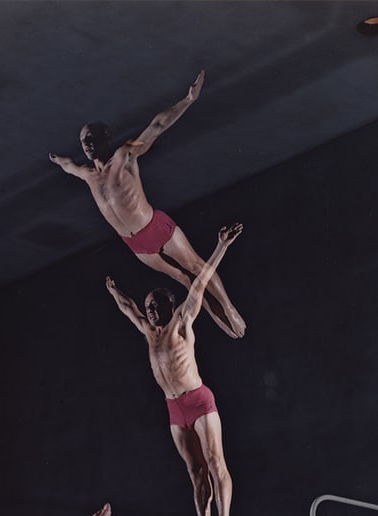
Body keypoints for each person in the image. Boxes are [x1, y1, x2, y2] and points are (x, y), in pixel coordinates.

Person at [49, 70, 245, 340]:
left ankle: (229, 308)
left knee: (197, 267)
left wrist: (188, 100)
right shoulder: (88, 174)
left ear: (106, 136)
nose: (88, 144)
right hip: (136, 245)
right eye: (84, 141)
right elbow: (68, 165)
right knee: (185, 280)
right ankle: (222, 322)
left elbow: (157, 126)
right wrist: (57, 160)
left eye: (92, 138)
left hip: (155, 226)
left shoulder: (125, 155)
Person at [106, 224, 242, 516]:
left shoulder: (182, 320)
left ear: (170, 305)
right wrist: (113, 290)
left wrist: (221, 246)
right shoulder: (148, 331)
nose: (151, 312)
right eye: (149, 307)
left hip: (199, 400)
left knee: (215, 462)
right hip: (174, 409)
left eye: (156, 306)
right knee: (196, 473)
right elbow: (127, 307)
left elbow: (200, 282)